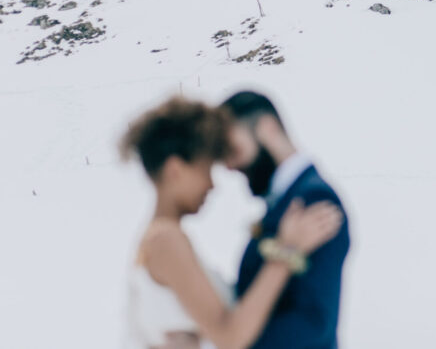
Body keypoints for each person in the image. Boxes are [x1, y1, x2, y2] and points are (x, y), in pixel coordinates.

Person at [121, 97, 343, 349]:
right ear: (175, 170)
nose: (212, 184)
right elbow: (230, 337)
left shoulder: (160, 237)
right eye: (206, 170)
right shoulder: (166, 240)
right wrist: (286, 251)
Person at [219, 91, 351, 349]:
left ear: (267, 129)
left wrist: (232, 342)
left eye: (234, 149)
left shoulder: (314, 199)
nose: (230, 166)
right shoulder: (287, 199)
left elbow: (313, 320)